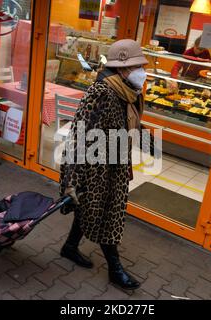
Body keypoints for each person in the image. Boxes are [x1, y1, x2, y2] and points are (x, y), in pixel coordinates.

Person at [58, 39, 152, 290]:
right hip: (96, 168)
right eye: (137, 66)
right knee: (109, 216)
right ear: (122, 69)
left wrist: (145, 139)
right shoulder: (102, 92)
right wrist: (71, 181)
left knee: (90, 208)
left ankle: (69, 247)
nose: (143, 71)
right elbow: (78, 136)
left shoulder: (127, 92)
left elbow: (127, 123)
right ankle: (115, 269)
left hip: (116, 164)